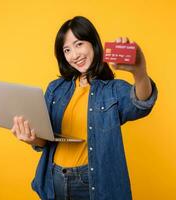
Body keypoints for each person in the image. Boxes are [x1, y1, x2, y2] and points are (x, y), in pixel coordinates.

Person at [11, 16, 158, 200]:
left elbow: (141, 103)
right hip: (54, 179)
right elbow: (46, 140)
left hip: (93, 184)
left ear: (93, 43)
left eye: (79, 44)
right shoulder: (55, 89)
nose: (74, 55)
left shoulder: (112, 89)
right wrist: (32, 139)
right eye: (67, 50)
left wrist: (140, 71)